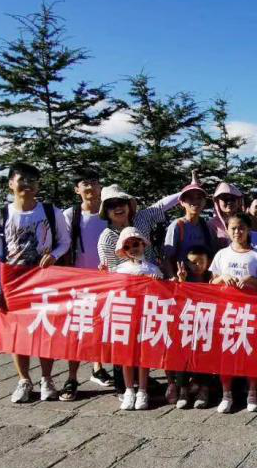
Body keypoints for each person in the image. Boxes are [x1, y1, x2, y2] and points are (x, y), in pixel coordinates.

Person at [0, 162, 71, 404]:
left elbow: (65, 242)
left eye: (33, 180)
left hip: (45, 279)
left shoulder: (52, 212)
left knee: (46, 330)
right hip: (14, 281)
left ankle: (47, 379)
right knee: (17, 332)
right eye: (22, 179)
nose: (28, 185)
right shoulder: (0, 217)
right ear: (11, 183)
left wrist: (54, 255)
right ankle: (24, 380)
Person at [209, 212, 257, 413]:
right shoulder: (221, 255)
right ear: (227, 230)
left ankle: (252, 393)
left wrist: (250, 280)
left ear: (248, 230)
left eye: (242, 228)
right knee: (225, 354)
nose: (237, 232)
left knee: (251, 353)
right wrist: (223, 278)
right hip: (226, 313)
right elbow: (211, 283)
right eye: (233, 228)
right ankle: (226, 394)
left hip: (252, 313)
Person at [59, 167, 112, 399]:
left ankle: (98, 368)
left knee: (102, 327)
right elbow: (61, 245)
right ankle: (72, 377)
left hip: (106, 280)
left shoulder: (108, 213)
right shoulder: (70, 215)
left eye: (94, 182)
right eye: (84, 183)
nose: (90, 187)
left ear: (100, 186)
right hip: (78, 282)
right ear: (77, 189)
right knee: (77, 330)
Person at [111, 227, 161, 411]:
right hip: (126, 318)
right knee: (126, 356)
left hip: (146, 317)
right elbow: (112, 291)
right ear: (123, 250)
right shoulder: (119, 269)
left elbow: (162, 294)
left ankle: (142, 390)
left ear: (143, 245)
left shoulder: (153, 268)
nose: (133, 248)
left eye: (136, 244)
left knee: (143, 356)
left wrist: (157, 282)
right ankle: (128, 390)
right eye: (128, 245)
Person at [96, 182, 184, 272]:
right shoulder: (107, 239)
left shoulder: (142, 218)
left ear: (128, 205)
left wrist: (186, 191)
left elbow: (162, 206)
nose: (118, 207)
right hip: (127, 282)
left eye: (121, 202)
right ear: (106, 211)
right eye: (111, 205)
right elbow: (111, 271)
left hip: (154, 276)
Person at [175, 245, 215, 409]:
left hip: (208, 324)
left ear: (208, 262)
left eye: (200, 262)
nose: (196, 266)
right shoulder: (185, 278)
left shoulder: (213, 279)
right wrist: (181, 282)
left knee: (205, 355)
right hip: (187, 324)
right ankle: (183, 390)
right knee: (182, 355)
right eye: (192, 262)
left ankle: (203, 390)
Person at [162, 179, 216, 279]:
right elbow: (167, 258)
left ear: (204, 202)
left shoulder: (207, 227)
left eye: (199, 198)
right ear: (182, 202)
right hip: (182, 283)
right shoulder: (177, 226)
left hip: (201, 284)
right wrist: (173, 278)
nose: (195, 201)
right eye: (190, 198)